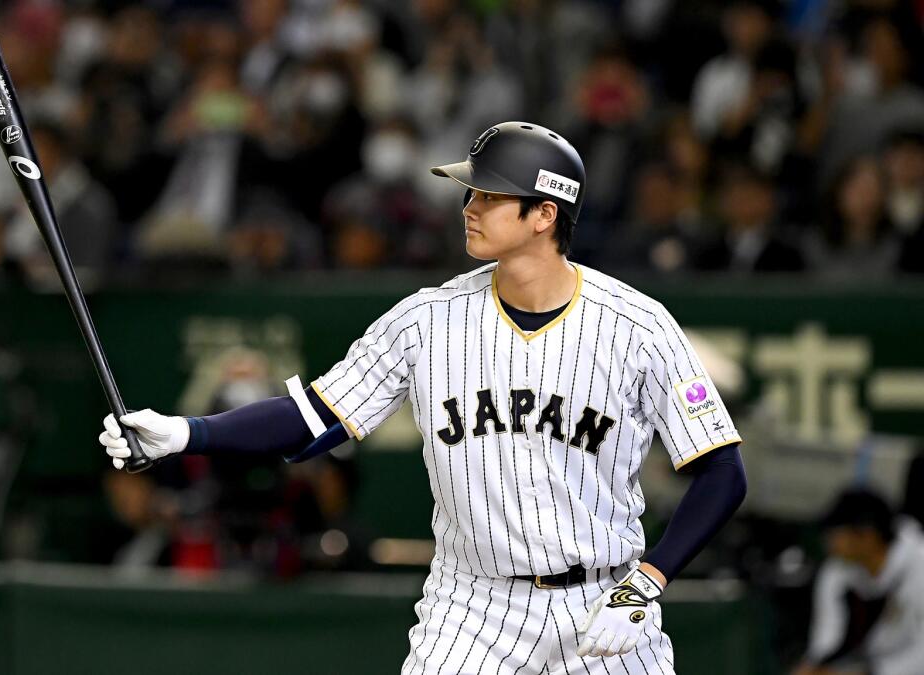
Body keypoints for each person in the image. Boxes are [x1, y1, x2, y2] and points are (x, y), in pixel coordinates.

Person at [99, 122, 748, 673]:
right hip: (472, 608)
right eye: (471, 190)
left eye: (491, 194)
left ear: (545, 213)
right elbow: (313, 418)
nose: (468, 204)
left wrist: (648, 581)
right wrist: (189, 433)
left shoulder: (637, 325)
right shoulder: (425, 319)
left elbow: (722, 470)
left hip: (605, 597)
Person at [793, 488, 924, 675]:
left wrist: (870, 672)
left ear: (867, 535)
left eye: (836, 533)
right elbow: (828, 634)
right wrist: (815, 665)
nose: (828, 542)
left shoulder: (919, 567)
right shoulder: (836, 570)